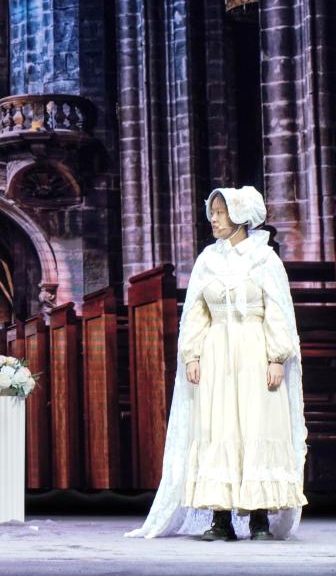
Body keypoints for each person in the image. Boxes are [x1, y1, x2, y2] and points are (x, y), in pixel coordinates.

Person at [127, 186, 307, 540]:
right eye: (213, 211)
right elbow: (196, 312)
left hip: (254, 348)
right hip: (216, 352)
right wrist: (192, 354)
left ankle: (259, 519)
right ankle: (220, 519)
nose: (214, 218)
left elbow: (277, 311)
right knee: (217, 426)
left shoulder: (264, 259)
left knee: (256, 425)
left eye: (221, 212)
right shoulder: (208, 260)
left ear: (241, 216)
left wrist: (276, 358)